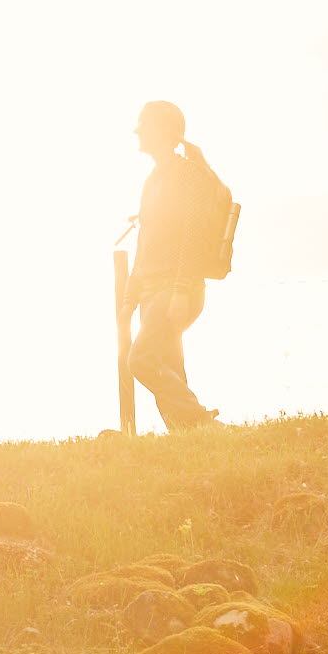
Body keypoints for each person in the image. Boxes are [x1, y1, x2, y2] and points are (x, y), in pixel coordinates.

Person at [124, 100, 221, 431]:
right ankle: (190, 439)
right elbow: (144, 244)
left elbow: (192, 235)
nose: (137, 131)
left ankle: (202, 422)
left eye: (143, 124)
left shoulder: (187, 174)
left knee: (141, 361)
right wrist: (129, 298)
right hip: (153, 292)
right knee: (169, 369)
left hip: (176, 289)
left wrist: (181, 289)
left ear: (165, 130)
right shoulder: (153, 179)